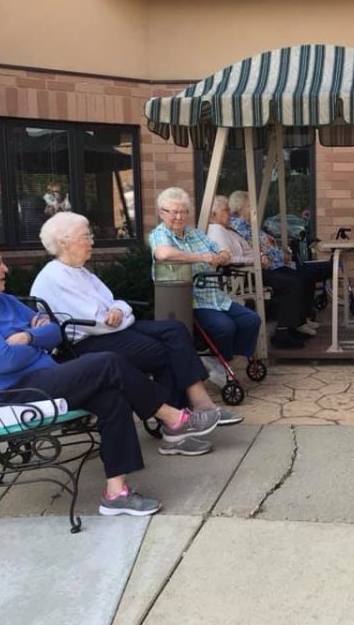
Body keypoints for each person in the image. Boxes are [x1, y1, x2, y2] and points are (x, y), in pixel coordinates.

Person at [0, 239, 221, 517]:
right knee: (107, 363)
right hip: (10, 399)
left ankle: (116, 493)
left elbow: (53, 331)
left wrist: (27, 336)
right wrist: (33, 341)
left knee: (111, 395)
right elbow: (3, 360)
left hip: (42, 378)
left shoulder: (4, 301)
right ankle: (173, 418)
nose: (5, 268)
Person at [30, 211, 243, 454]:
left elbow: (116, 304)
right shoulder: (54, 277)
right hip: (86, 345)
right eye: (85, 236)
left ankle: (195, 407)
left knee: (175, 330)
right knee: (166, 351)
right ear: (63, 242)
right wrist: (120, 314)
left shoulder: (80, 271)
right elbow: (98, 322)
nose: (91, 241)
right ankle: (177, 427)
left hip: (112, 333)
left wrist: (120, 312)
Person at [149, 187, 262, 376]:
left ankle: (224, 358)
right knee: (224, 327)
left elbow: (223, 251)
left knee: (251, 319)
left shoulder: (196, 234)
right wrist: (201, 257)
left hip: (215, 295)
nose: (179, 216)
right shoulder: (160, 234)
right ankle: (218, 360)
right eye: (174, 212)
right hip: (188, 300)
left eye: (183, 211)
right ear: (162, 213)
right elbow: (163, 253)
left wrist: (222, 257)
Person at [224, 191, 318, 349]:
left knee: (299, 278)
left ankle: (293, 325)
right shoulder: (239, 225)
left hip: (262, 265)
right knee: (293, 283)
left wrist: (278, 252)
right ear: (239, 207)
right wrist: (280, 255)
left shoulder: (246, 224)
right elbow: (258, 247)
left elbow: (265, 244)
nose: (253, 209)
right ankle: (283, 333)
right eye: (249, 206)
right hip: (252, 269)